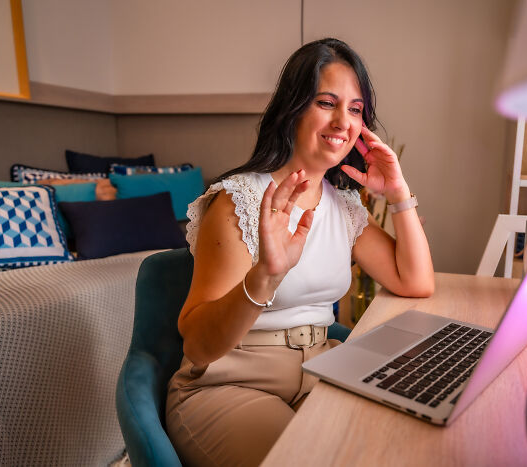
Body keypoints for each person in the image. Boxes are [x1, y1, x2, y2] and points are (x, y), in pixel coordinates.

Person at [165, 37, 435, 466]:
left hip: (321, 371)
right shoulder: (236, 201)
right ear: (292, 108)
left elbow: (415, 282)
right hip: (233, 383)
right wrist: (266, 275)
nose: (343, 121)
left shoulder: (343, 206)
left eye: (355, 109)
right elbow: (198, 345)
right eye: (327, 102)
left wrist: (399, 193)